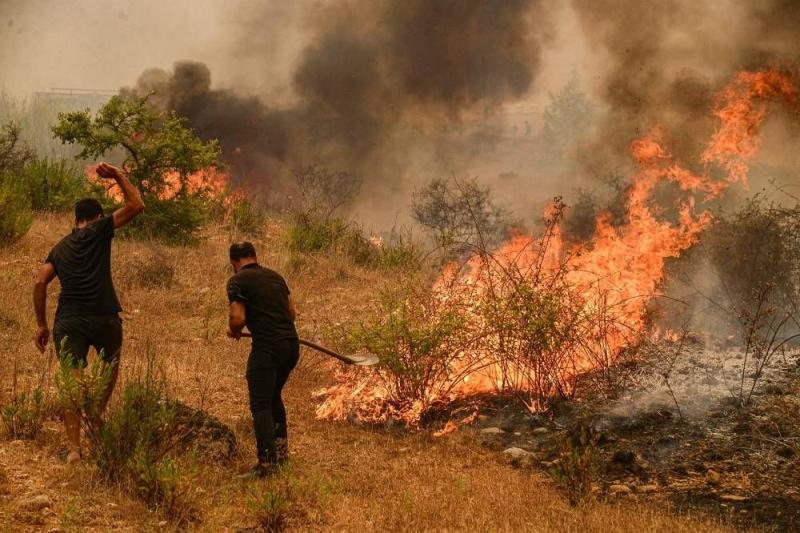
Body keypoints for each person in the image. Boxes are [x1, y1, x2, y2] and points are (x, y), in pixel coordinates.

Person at [33, 163, 144, 463]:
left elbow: (40, 281)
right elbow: (137, 205)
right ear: (96, 218)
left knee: (71, 381)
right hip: (104, 316)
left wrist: (42, 325)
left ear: (75, 220)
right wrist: (120, 175)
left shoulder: (59, 247)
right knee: (110, 365)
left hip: (68, 320)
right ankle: (96, 411)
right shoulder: (100, 228)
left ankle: (74, 450)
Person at [226, 242, 299, 477]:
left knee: (260, 404)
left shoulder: (237, 281)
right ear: (255, 256)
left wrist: (234, 329)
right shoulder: (276, 277)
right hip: (291, 345)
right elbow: (291, 314)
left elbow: (237, 318)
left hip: (268, 348)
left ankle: (267, 464)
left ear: (234, 262)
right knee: (274, 397)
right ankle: (282, 454)